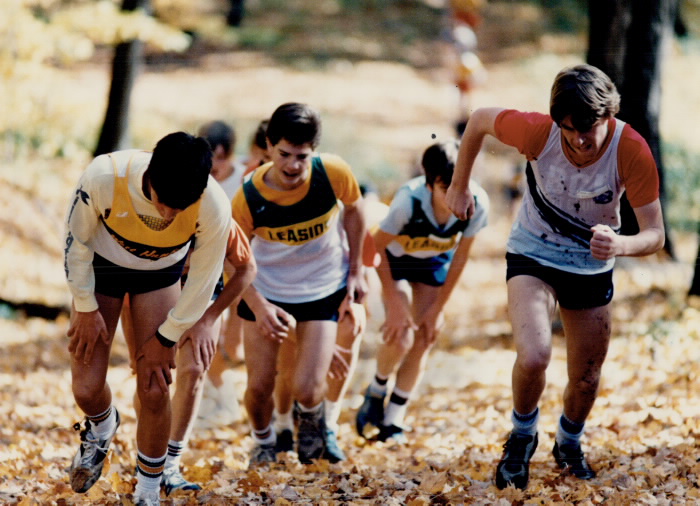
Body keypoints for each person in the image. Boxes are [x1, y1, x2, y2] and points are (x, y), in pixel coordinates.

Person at [445, 64, 665, 490]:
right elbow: (477, 121)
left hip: (590, 264)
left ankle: (569, 442)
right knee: (534, 355)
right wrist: (459, 185)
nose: (579, 141)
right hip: (533, 251)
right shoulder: (537, 132)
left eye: (588, 130)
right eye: (569, 130)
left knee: (585, 377)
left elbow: (655, 235)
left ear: (608, 117)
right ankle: (521, 437)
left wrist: (621, 244)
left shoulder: (630, 149)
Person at [64, 132, 231, 505]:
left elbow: (203, 281)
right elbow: (75, 245)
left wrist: (167, 338)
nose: (169, 214)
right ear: (151, 176)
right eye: (163, 202)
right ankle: (103, 426)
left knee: (155, 388)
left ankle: (148, 492)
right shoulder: (104, 177)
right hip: (101, 269)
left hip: (160, 276)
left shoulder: (214, 205)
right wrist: (86, 306)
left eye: (181, 207)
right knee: (86, 389)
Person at [232, 102, 367, 466]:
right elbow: (232, 260)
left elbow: (355, 210)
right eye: (284, 154)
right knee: (260, 386)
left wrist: (356, 269)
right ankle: (263, 443)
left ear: (314, 151)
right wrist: (258, 306)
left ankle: (313, 423)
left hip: (323, 287)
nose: (293, 165)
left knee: (307, 388)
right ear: (269, 147)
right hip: (268, 291)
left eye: (303, 157)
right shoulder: (249, 196)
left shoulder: (333, 174)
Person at [355, 140, 489, 443]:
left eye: (463, 186)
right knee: (401, 332)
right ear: (430, 185)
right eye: (447, 189)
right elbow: (372, 249)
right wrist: (393, 299)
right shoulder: (408, 203)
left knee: (426, 333)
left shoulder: (477, 203)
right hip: (397, 258)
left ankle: (394, 420)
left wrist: (438, 309)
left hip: (434, 261)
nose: (458, 197)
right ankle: (377, 390)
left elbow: (462, 257)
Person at [120, 220, 256, 495]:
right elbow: (123, 291)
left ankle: (170, 464)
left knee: (194, 371)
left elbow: (246, 269)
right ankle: (148, 455)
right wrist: (136, 356)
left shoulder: (215, 216)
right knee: (150, 378)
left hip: (202, 292)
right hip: (149, 290)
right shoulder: (143, 216)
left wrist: (209, 319)